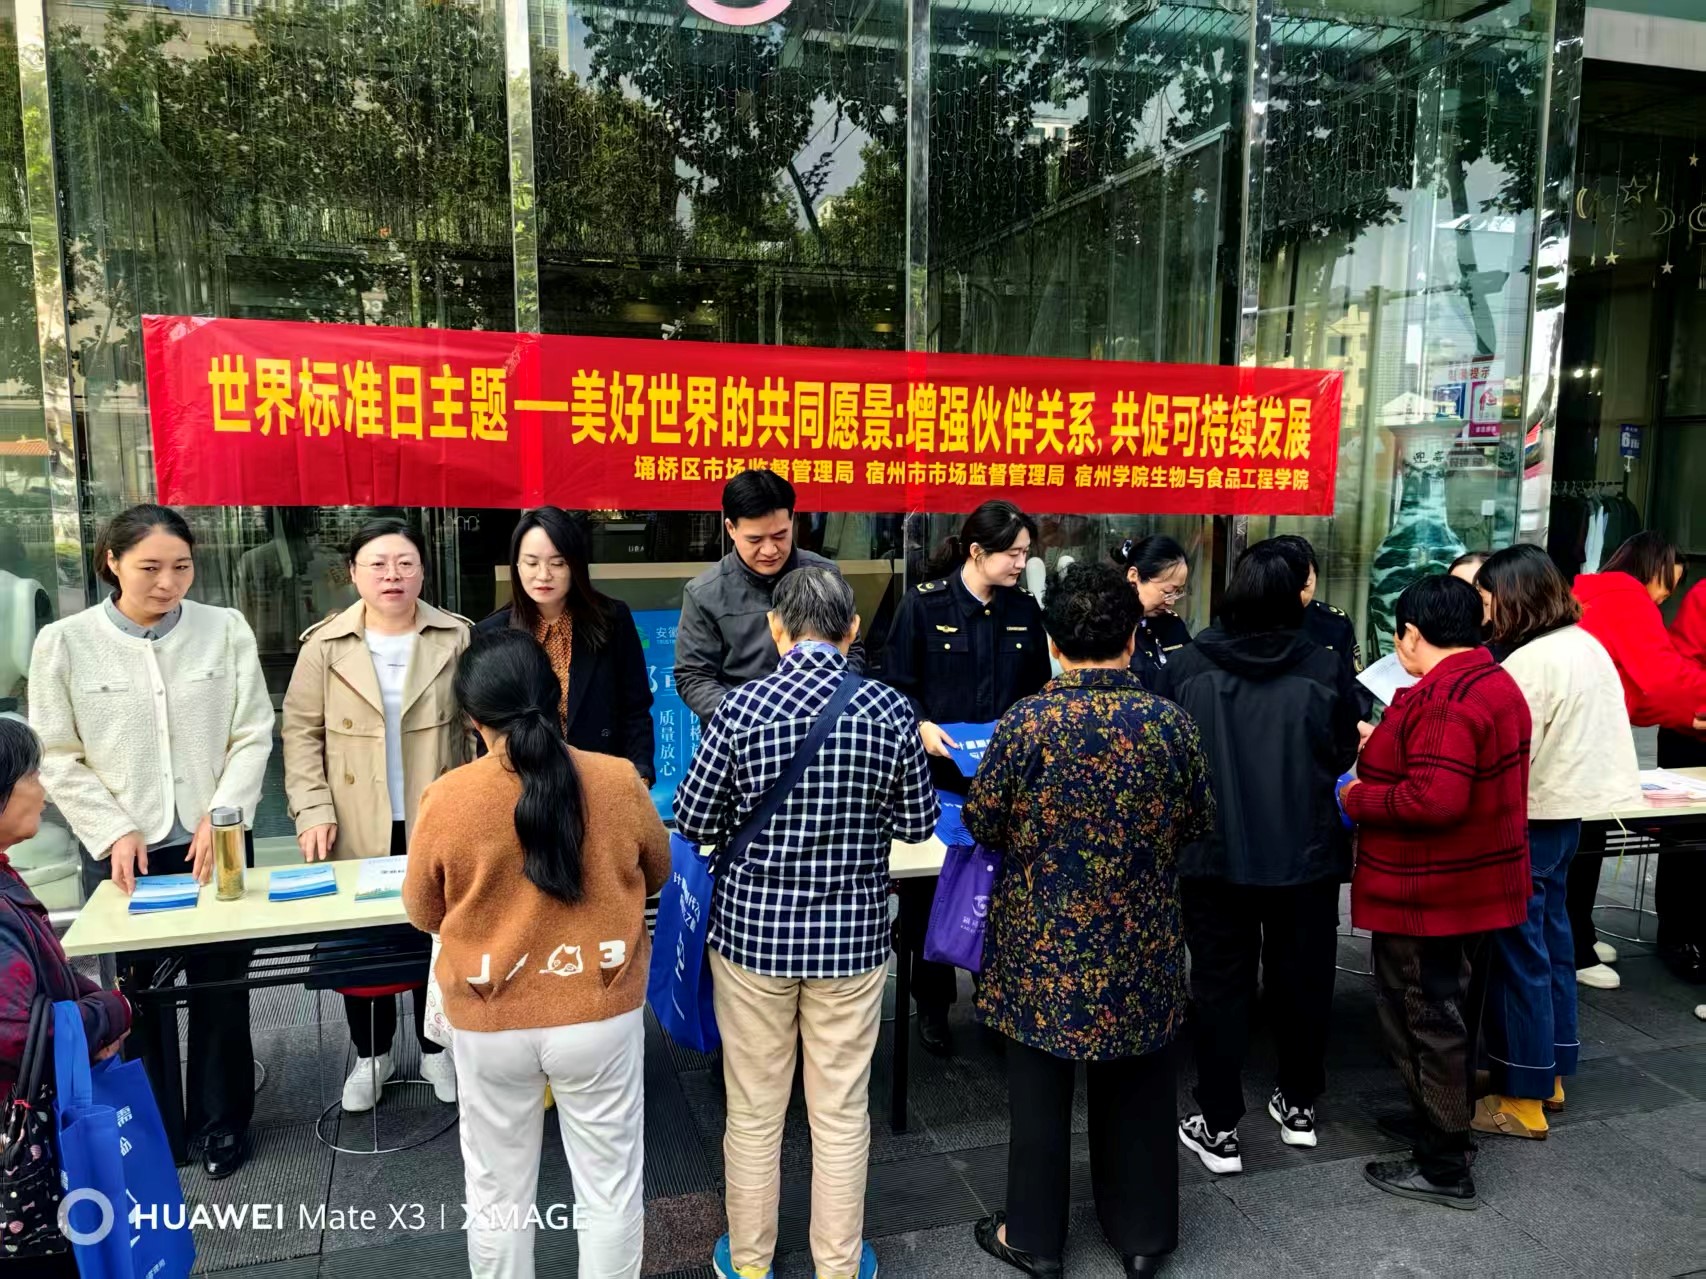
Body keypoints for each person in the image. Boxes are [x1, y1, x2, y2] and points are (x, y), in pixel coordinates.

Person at [673, 566, 937, 1279]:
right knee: (842, 1112)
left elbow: (693, 820)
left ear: (776, 630)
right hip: (852, 939)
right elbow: (919, 824)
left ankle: (750, 1261)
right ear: (853, 630)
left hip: (752, 938)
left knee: (754, 1112)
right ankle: (838, 1265)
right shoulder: (890, 711)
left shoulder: (739, 708)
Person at [965, 562, 1215, 1279]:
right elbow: (1198, 818)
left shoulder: (1027, 723)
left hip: (1041, 941)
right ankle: (1143, 1236)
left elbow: (984, 822)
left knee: (1039, 1095)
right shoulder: (1169, 723)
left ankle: (1033, 1237)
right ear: (1132, 639)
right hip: (1142, 936)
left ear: (1053, 643)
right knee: (1140, 1089)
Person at [403, 630, 670, 1279]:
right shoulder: (617, 780)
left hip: (488, 1014)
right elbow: (657, 871)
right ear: (557, 698)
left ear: (472, 719)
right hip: (599, 1007)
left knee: (497, 1193)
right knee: (610, 1187)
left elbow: (423, 911)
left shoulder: (448, 796)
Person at [30, 504, 272, 1179]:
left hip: (213, 843)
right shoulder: (65, 642)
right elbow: (55, 752)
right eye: (150, 568)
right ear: (111, 562)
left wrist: (224, 814)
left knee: (222, 986)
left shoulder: (224, 629)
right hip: (124, 850)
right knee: (137, 995)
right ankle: (157, 1127)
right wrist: (112, 828)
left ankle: (222, 1125)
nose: (168, 583)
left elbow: (253, 731)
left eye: (182, 567)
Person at [1156, 540, 1361, 1175]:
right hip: (1306, 852)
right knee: (1304, 978)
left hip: (1213, 854)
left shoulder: (1186, 665)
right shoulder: (1324, 666)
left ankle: (1219, 1124)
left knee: (1220, 985)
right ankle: (1299, 1104)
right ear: (1294, 597)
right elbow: (1340, 752)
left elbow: (1170, 760)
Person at [1340, 575, 1532, 1210]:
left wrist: (1356, 796)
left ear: (1411, 634)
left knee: (1424, 1017)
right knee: (1451, 1012)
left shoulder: (1446, 698)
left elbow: (1435, 799)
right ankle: (1438, 1118)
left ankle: (1444, 1161)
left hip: (1432, 893)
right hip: (1474, 883)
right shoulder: (1491, 680)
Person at [283, 517, 471, 1113]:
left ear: (423, 571)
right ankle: (371, 1054)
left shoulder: (456, 637)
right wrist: (312, 809)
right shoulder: (324, 645)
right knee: (361, 941)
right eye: (378, 564)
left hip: (434, 812)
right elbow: (300, 734)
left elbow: (475, 730)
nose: (393, 575)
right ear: (354, 573)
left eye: (405, 563)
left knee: (436, 933)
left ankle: (436, 1048)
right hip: (353, 817)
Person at [1469, 545, 1640, 1138]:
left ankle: (1523, 1098)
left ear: (1511, 597)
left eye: (1487, 598)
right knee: (1553, 944)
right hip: (1568, 818)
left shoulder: (1530, 662)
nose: (1483, 611)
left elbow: (1508, 751)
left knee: (1521, 957)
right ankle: (1551, 1072)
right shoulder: (1583, 644)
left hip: (1529, 818)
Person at [882, 500, 1050, 1057]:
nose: (1021, 563)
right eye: (1013, 554)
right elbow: (896, 683)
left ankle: (994, 998)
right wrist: (920, 724)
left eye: (1025, 553)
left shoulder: (1023, 609)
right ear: (977, 552)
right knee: (930, 896)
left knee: (999, 893)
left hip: (1004, 782)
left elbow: (1037, 690)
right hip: (937, 779)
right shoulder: (923, 605)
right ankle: (931, 1003)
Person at [0, 718, 130, 1275]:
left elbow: (42, 975)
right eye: (32, 775)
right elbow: (17, 1033)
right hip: (20, 1144)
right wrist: (111, 1011)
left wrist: (89, 1000)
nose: (43, 789)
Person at [1569, 532, 1706, 989]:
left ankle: (1579, 934)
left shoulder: (1595, 592)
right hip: (1586, 737)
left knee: (1582, 837)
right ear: (1652, 569)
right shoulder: (1627, 600)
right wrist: (1692, 708)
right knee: (1584, 838)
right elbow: (1661, 677)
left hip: (1580, 731)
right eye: (1668, 584)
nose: (1667, 596)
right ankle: (1574, 947)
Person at [476, 507, 655, 783]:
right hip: (525, 785)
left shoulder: (612, 620)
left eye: (557, 563)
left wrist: (639, 774)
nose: (543, 575)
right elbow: (486, 728)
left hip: (602, 777)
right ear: (516, 565)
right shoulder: (492, 633)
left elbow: (636, 708)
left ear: (575, 565)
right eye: (532, 563)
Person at [675, 471, 864, 723]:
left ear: (792, 519)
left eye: (779, 536)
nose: (769, 550)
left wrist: (827, 703)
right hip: (743, 732)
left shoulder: (824, 575)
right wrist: (751, 718)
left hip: (822, 727)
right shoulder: (705, 593)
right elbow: (694, 676)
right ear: (731, 528)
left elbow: (853, 651)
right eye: (755, 539)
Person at [1656, 580, 1706, 981]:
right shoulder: (1703, 595)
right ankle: (1679, 936)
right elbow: (1682, 665)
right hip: (1694, 734)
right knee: (1687, 842)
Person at [1273, 533, 1374, 720]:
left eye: (1306, 585)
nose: (1299, 595)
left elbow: (1356, 687)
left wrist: (1351, 721)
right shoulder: (1253, 620)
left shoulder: (1334, 622)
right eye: (1290, 585)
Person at [1111, 534, 1191, 691]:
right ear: (1134, 576)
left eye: (1177, 592)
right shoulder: (1107, 626)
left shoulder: (1172, 625)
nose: (1171, 602)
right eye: (1167, 591)